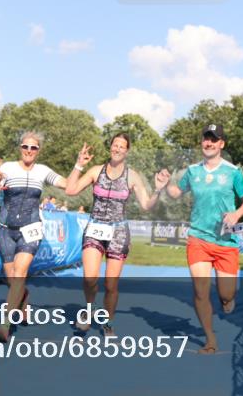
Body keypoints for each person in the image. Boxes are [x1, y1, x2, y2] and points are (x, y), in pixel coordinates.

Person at [65, 134, 170, 336]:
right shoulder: (97, 171)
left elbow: (147, 206)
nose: (118, 149)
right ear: (110, 147)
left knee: (111, 284)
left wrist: (158, 190)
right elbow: (70, 190)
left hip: (118, 233)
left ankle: (108, 322)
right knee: (89, 278)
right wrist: (78, 165)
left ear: (127, 151)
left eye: (122, 146)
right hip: (95, 228)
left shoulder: (132, 176)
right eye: (115, 145)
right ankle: (89, 309)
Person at [162, 123, 243, 354]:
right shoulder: (192, 171)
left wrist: (236, 214)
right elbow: (176, 193)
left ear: (221, 144)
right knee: (200, 291)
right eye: (206, 138)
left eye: (214, 139)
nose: (209, 142)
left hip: (225, 241)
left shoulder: (233, 172)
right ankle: (210, 339)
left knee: (226, 293)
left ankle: (226, 300)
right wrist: (165, 185)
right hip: (198, 238)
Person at [0, 131, 69, 343]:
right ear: (20, 148)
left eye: (33, 148)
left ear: (38, 151)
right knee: (12, 279)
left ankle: (5, 325)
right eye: (25, 147)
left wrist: (80, 167)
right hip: (6, 229)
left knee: (20, 273)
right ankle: (23, 298)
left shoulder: (42, 171)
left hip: (31, 228)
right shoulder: (7, 167)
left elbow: (68, 185)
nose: (29, 151)